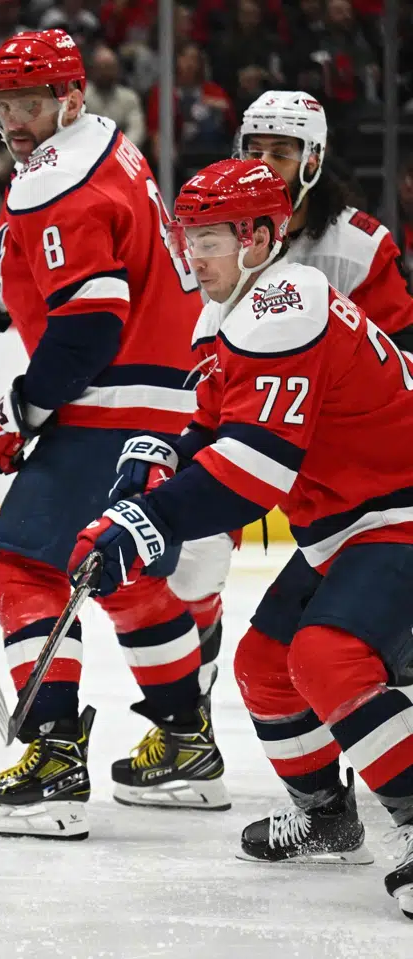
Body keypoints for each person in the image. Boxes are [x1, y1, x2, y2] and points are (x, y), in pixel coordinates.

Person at [69, 157, 413, 921]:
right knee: (265, 668)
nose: (195, 254)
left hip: (399, 513)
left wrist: (146, 520)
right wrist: (160, 457)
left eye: (212, 238)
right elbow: (217, 429)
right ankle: (329, 817)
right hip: (352, 523)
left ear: (263, 235)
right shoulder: (233, 308)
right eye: (188, 237)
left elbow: (256, 468)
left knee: (327, 656)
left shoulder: (288, 298)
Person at [0, 29, 219, 840]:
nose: (13, 118)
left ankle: (52, 757)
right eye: (3, 103)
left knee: (23, 575)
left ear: (71, 98)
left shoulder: (62, 180)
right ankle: (188, 743)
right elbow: (67, 278)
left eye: (30, 102)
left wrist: (24, 406)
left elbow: (86, 324)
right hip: (162, 399)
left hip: (109, 402)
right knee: (114, 573)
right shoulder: (106, 154)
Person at [236, 91, 413, 348]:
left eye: (280, 154)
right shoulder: (217, 239)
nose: (263, 168)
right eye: (254, 153)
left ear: (312, 160)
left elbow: (403, 355)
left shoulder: (362, 247)